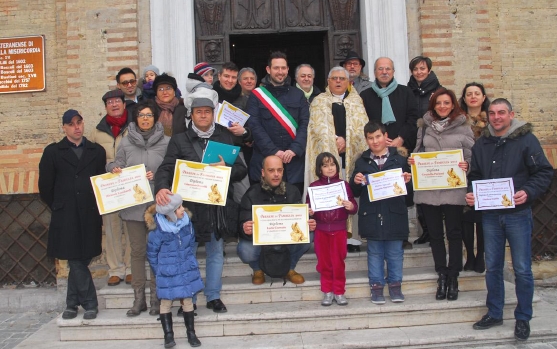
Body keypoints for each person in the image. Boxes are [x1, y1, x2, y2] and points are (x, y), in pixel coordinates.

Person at [466, 98, 553, 341]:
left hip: (517, 214)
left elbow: (544, 172)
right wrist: (471, 193)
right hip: (491, 216)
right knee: (493, 266)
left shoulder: (527, 140)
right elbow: (474, 175)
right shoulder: (482, 144)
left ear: (511, 114)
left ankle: (523, 317)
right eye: (492, 113)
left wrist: (529, 191)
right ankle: (494, 312)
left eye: (501, 113)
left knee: (523, 268)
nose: (497, 117)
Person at [155, 97, 247, 314]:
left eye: (207, 111)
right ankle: (189, 299)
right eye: (199, 112)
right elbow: (166, 168)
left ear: (213, 114)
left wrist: (227, 168)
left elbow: (241, 169)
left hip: (215, 207)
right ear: (192, 115)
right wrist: (160, 187)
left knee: (216, 252)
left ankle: (213, 296)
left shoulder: (224, 137)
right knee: (188, 253)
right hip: (188, 209)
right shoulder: (179, 140)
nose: (203, 115)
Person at [38, 109, 106, 320]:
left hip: (89, 214)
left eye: (79, 122)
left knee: (82, 258)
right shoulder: (52, 152)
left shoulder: (97, 150)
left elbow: (101, 180)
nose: (76, 127)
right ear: (64, 128)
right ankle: (90, 303)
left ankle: (71, 304)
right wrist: (61, 204)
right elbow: (45, 188)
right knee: (75, 259)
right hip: (66, 215)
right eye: (71, 124)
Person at [408, 88, 474, 301]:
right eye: (439, 103)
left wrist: (467, 165)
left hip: (453, 188)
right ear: (433, 105)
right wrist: (413, 162)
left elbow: (472, 156)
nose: (442, 106)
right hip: (429, 189)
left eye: (446, 103)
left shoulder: (464, 127)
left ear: (453, 104)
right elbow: (418, 151)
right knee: (435, 235)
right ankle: (442, 275)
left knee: (454, 233)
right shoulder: (425, 125)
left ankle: (454, 275)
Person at [106, 99, 170, 317]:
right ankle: (138, 299)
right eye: (141, 115)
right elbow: (115, 164)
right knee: (137, 252)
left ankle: (156, 299)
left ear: (155, 118)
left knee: (157, 252)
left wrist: (157, 176)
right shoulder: (125, 143)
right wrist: (113, 168)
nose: (145, 119)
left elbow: (171, 169)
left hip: (157, 207)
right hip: (133, 206)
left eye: (149, 115)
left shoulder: (166, 142)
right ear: (136, 118)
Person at [350, 121, 412, 304]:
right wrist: (356, 180)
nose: (375, 141)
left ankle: (395, 286)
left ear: (386, 137)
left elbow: (410, 197)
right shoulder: (361, 161)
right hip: (371, 215)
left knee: (394, 253)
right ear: (366, 140)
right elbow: (354, 192)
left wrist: (408, 182)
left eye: (378, 136)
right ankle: (376, 287)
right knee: (375, 253)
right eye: (370, 138)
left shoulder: (400, 160)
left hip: (395, 215)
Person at [361, 56, 419, 250]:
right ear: (374, 72)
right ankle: (377, 233)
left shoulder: (405, 92)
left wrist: (400, 139)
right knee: (379, 193)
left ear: (393, 72)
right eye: (380, 69)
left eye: (388, 69)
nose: (384, 72)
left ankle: (401, 235)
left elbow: (413, 118)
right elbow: (364, 121)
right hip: (376, 151)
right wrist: (378, 141)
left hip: (401, 149)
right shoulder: (366, 95)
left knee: (399, 193)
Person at [238, 155, 316, 285]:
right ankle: (257, 269)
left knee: (309, 234)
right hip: (262, 243)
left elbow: (300, 221)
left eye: (279, 170)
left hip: (285, 240)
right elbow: (240, 225)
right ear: (263, 172)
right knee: (245, 249)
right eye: (271, 170)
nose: (276, 174)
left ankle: (289, 268)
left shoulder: (292, 191)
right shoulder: (251, 193)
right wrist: (244, 228)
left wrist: (309, 220)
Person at [246, 51, 310, 195]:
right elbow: (254, 125)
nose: (280, 72)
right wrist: (274, 152)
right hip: (265, 163)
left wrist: (294, 149)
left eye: (283, 68)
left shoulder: (298, 94)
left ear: (287, 70)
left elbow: (305, 124)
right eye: (276, 68)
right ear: (268, 70)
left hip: (294, 165)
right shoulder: (257, 95)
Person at [146, 193, 204, 348]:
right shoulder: (158, 232)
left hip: (185, 268)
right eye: (179, 207)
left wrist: (189, 260)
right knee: (165, 302)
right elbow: (152, 253)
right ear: (170, 213)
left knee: (188, 300)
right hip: (168, 271)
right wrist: (160, 270)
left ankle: (191, 333)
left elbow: (190, 243)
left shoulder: (186, 224)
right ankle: (168, 335)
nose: (183, 209)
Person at [91, 89, 132, 287]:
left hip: (130, 184)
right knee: (112, 228)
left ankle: (132, 267)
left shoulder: (133, 127)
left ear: (124, 104)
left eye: (117, 101)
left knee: (132, 227)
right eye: (110, 102)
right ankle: (115, 269)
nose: (114, 105)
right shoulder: (98, 132)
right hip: (109, 188)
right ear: (105, 107)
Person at [306, 152, 357, 305]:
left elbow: (353, 207)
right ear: (319, 169)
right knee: (324, 263)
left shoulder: (344, 185)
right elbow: (308, 207)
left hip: (339, 230)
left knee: (338, 262)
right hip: (321, 231)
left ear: (337, 166)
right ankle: (327, 291)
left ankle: (339, 291)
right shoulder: (314, 187)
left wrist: (351, 206)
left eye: (332, 164)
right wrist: (309, 210)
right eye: (325, 165)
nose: (330, 168)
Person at [407, 55, 443, 246]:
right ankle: (426, 230)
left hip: (434, 146)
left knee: (434, 188)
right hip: (414, 145)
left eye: (422, 68)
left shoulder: (439, 91)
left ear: (429, 70)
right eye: (415, 69)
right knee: (418, 191)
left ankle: (436, 230)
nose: (419, 72)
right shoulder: (408, 91)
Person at [459, 82, 490, 273]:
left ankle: (481, 256)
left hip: (487, 173)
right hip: (463, 173)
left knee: (483, 218)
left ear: (483, 97)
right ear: (463, 98)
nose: (473, 97)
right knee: (466, 217)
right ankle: (469, 254)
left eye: (477, 93)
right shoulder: (458, 120)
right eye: (469, 94)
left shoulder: (492, 120)